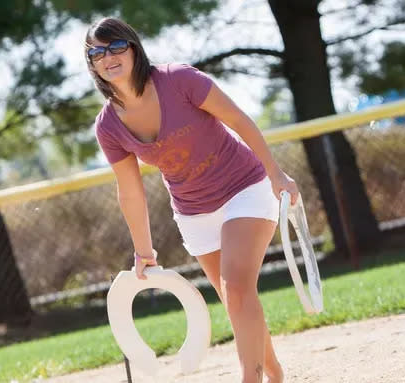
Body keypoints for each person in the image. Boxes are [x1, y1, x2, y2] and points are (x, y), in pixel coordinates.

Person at [85, 17, 299, 383]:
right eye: (97, 52)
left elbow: (239, 120)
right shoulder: (108, 126)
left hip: (244, 187)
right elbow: (130, 190)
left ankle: (251, 377)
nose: (108, 56)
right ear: (92, 64)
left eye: (116, 46)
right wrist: (144, 250)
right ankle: (273, 371)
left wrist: (277, 174)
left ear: (134, 48)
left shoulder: (179, 80)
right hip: (193, 210)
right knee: (234, 297)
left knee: (237, 286)